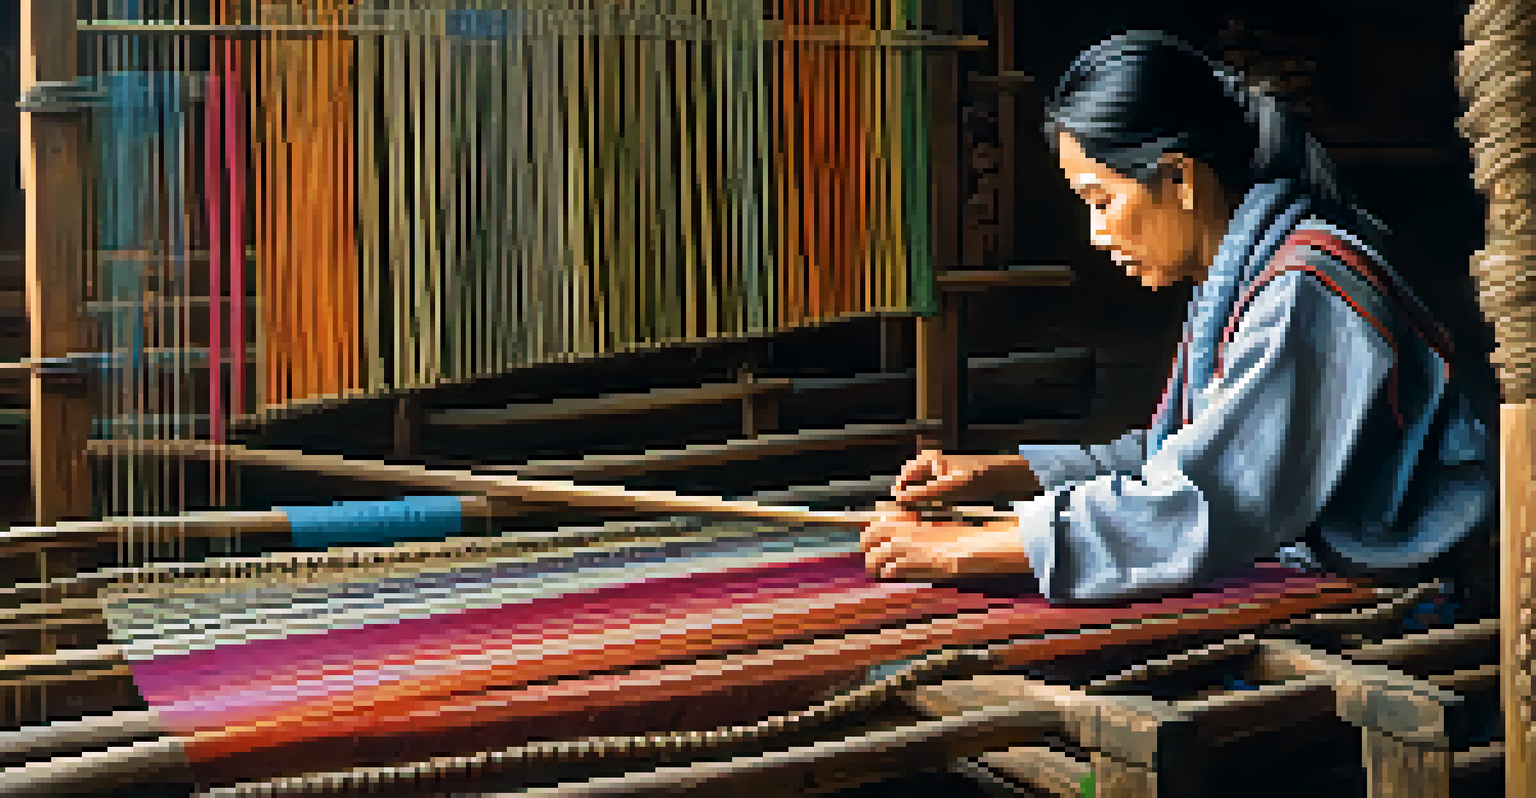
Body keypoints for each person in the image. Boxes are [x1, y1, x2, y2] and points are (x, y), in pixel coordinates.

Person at [862, 31, 1498, 616]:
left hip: (1411, 602)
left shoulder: (1304, 289)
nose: (1096, 234)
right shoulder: (1240, 277)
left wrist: (962, 551)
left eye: (1102, 201)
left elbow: (1207, 499)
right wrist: (1008, 473)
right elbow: (1182, 453)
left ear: (1178, 178)